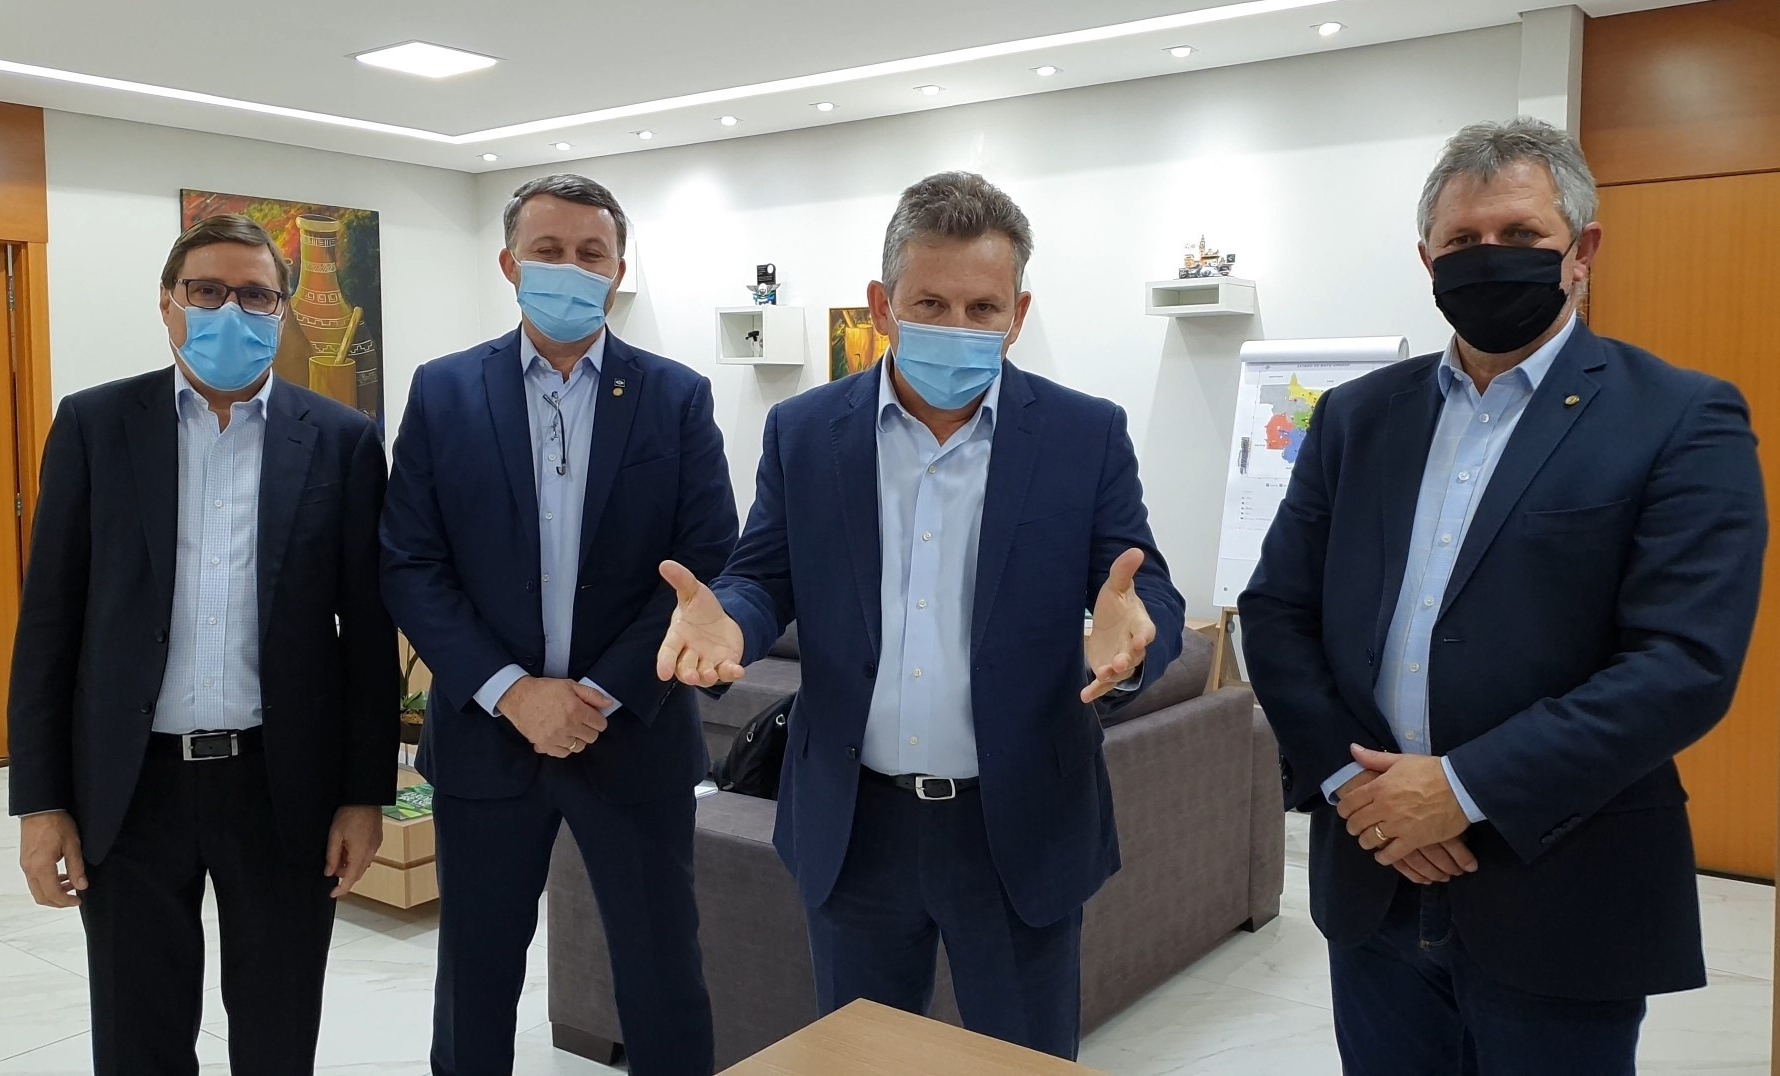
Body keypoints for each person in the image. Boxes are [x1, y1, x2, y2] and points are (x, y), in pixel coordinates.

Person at [1240, 117, 1768, 1074]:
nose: (1489, 257)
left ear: (1581, 251)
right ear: (1427, 261)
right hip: (1373, 879)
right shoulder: (1358, 417)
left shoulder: (1679, 417)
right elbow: (1277, 611)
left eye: (1520, 236)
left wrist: (1458, 790)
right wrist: (1358, 791)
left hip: (1560, 887)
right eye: (1462, 241)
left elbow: (1681, 664)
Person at [654, 171, 1185, 1060]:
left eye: (984, 308)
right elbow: (762, 575)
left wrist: (1134, 637)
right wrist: (733, 622)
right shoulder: (803, 431)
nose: (958, 326)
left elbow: (1143, 588)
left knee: (1023, 1062)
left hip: (1016, 823)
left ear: (1017, 314)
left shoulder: (1082, 433)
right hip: (855, 824)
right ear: (882, 305)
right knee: (861, 1059)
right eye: (930, 303)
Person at [6, 214, 398, 1074]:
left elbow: (369, 638)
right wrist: (41, 803)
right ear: (167, 303)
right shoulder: (96, 424)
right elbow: (49, 624)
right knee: (137, 1039)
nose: (231, 311)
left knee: (278, 1033)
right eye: (207, 291)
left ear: (282, 310)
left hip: (281, 786)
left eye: (255, 295)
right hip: (128, 786)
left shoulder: (342, 440)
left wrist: (364, 795)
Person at [380, 174, 737, 1076]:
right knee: (474, 980)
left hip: (634, 738)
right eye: (548, 251)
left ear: (618, 270)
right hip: (486, 742)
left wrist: (599, 693)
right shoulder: (444, 390)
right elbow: (410, 562)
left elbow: (704, 561)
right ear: (509, 264)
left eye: (590, 253)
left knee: (662, 978)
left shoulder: (675, 396)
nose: (570, 268)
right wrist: (512, 694)